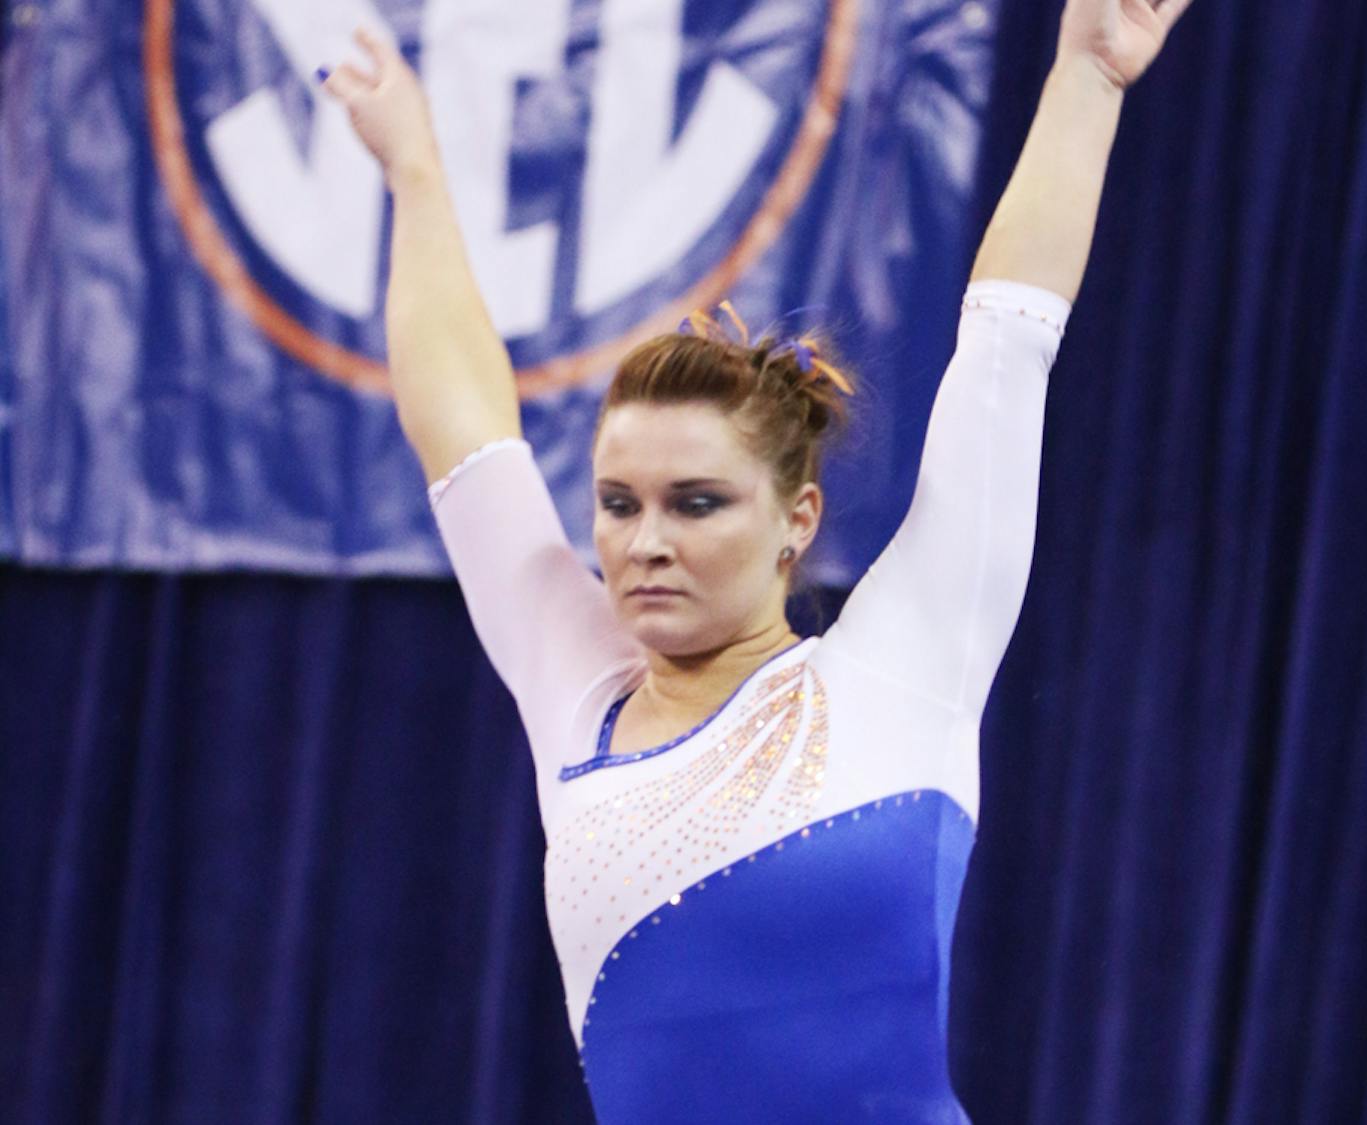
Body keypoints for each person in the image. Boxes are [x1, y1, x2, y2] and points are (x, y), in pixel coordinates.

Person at [322, 0, 1193, 1118]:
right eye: (618, 503)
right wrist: (417, 176)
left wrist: (1088, 76)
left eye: (696, 504)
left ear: (799, 517)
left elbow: (1006, 346)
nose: (646, 543)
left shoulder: (903, 663)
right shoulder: (576, 691)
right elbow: (461, 428)